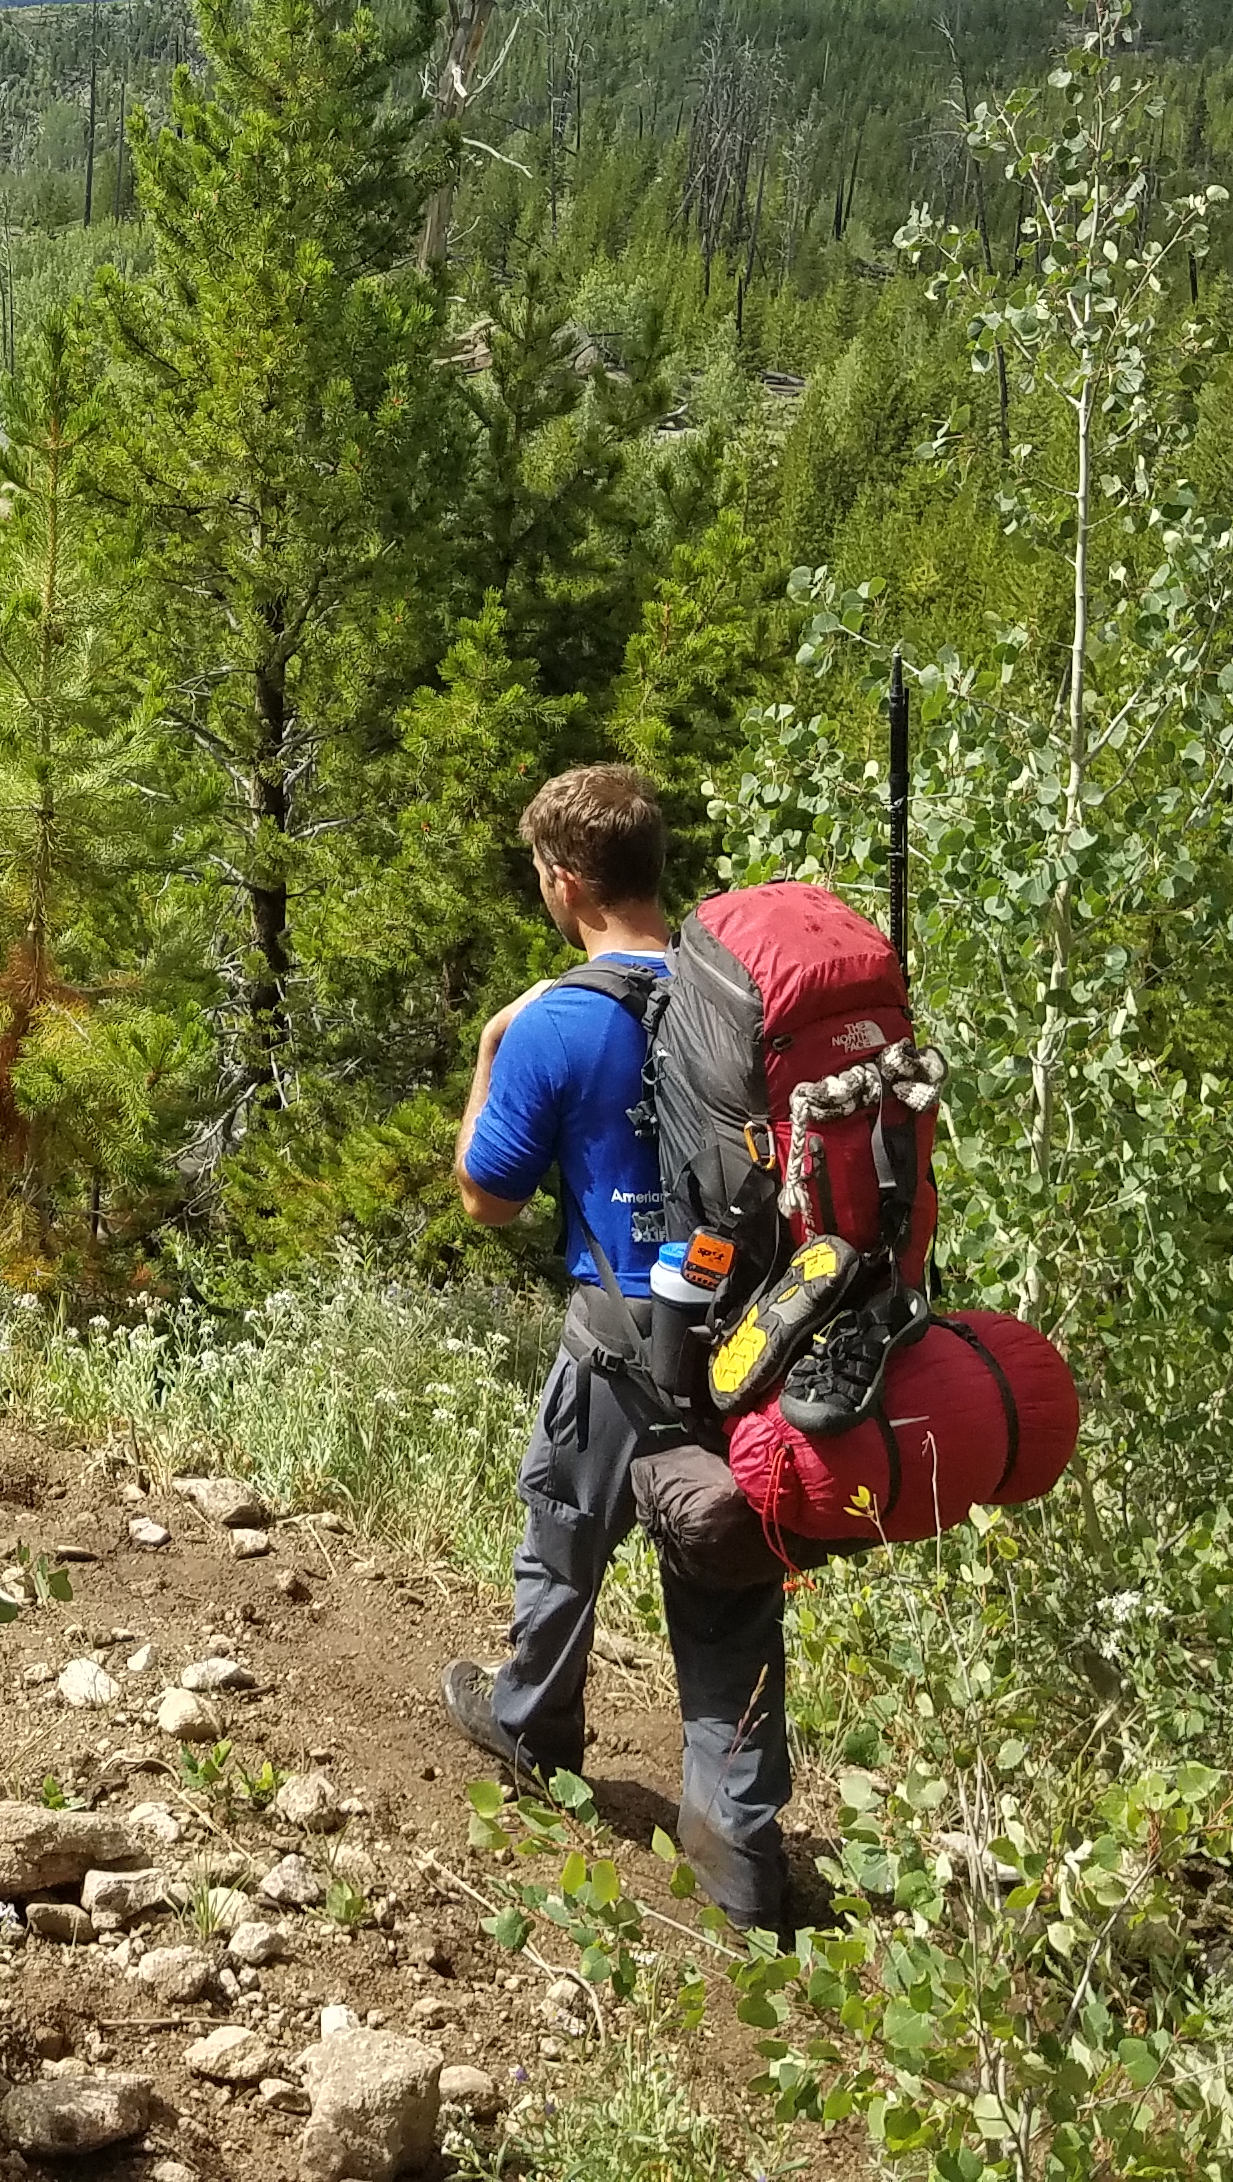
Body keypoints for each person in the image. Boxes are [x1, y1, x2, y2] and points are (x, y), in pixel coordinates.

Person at [437, 762, 790, 1938]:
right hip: (745, 1348)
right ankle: (738, 1861)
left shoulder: (558, 1020)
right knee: (728, 1589)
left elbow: (486, 1198)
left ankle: (534, 1728)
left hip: (619, 1342)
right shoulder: (734, 1003)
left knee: (563, 1543)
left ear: (567, 881)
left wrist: (495, 1047)